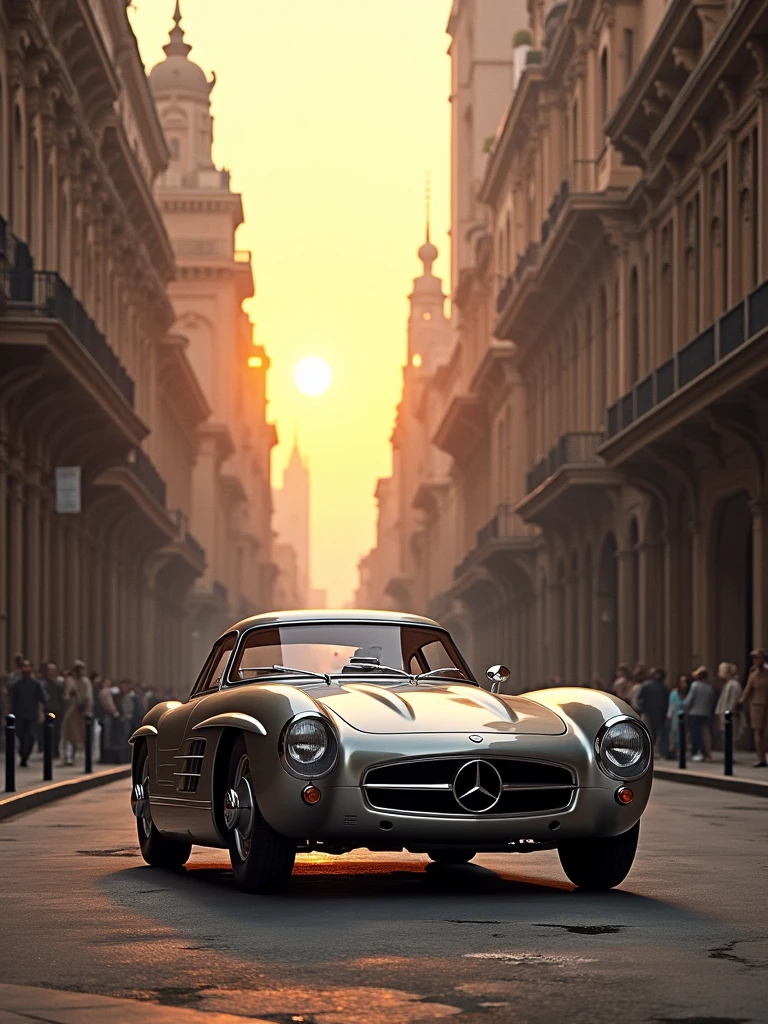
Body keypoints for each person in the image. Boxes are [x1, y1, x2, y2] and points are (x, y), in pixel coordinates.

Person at [10, 660, 47, 767]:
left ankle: (25, 755)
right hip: (19, 714)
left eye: (28, 667)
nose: (26, 669)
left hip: (32, 714)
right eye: (24, 667)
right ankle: (22, 754)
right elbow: (12, 700)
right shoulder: (16, 684)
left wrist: (41, 712)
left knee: (31, 736)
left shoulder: (35, 684)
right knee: (21, 736)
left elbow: (41, 699)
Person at [738, 648, 768, 768]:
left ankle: (764, 755)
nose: (756, 660)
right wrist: (740, 702)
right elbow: (747, 690)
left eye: (758, 657)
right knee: (758, 731)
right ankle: (760, 757)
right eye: (755, 658)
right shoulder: (753, 673)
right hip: (756, 705)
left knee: (766, 732)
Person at [61, 660, 94, 766]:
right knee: (68, 734)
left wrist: (86, 710)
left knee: (80, 735)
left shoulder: (85, 681)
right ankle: (68, 756)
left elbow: (88, 697)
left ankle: (79, 757)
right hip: (72, 710)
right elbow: (66, 695)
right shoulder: (70, 681)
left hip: (82, 712)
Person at [685, 666, 716, 762]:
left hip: (694, 712)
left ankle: (697, 752)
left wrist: (685, 706)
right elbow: (711, 701)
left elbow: (689, 700)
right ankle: (705, 752)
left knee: (695, 734)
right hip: (705, 713)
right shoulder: (709, 688)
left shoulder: (695, 685)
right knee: (704, 733)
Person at [637, 667, 669, 755]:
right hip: (661, 712)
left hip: (648, 712)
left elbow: (639, 698)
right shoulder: (664, 687)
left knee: (648, 732)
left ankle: (649, 751)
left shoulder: (646, 685)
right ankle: (661, 752)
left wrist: (642, 708)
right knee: (660, 733)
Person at [715, 662, 743, 749]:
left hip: (730, 715)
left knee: (730, 736)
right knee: (726, 736)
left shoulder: (733, 685)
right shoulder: (728, 684)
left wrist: (729, 712)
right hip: (725, 714)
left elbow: (732, 701)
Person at [40, 662, 66, 758]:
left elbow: (63, 695)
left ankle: (55, 749)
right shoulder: (43, 683)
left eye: (53, 670)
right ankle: (48, 749)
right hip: (47, 710)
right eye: (49, 670)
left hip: (58, 709)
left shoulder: (60, 682)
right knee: (47, 731)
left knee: (57, 731)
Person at [666, 674, 689, 759]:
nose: (683, 684)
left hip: (686, 717)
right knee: (674, 734)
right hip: (675, 717)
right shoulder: (674, 693)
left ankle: (682, 751)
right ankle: (673, 751)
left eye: (685, 682)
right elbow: (671, 706)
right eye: (681, 682)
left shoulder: (689, 693)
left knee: (685, 735)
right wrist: (668, 716)